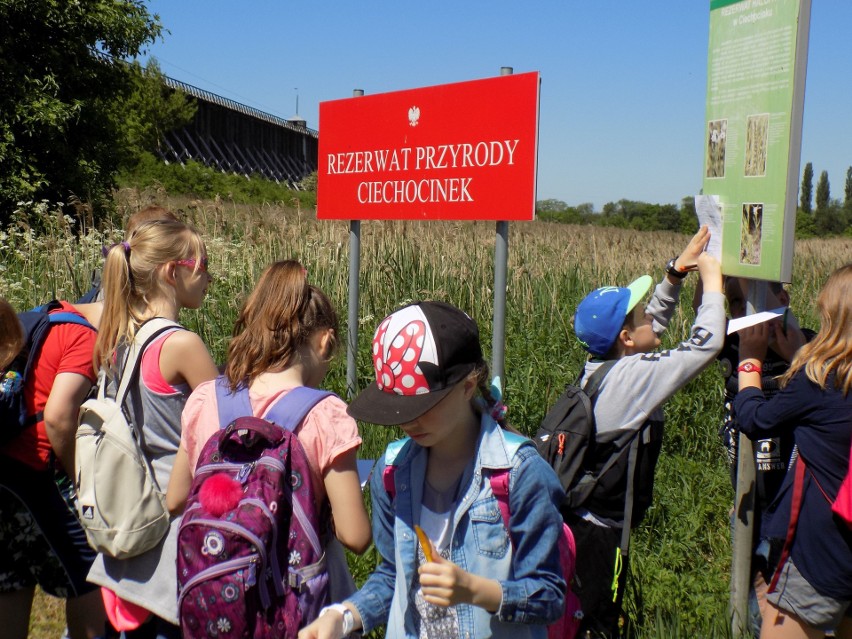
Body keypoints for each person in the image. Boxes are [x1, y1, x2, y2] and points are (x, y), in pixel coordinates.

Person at [299, 300, 566, 639]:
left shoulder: (520, 475)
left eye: (421, 406)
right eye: (397, 407)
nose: (408, 421)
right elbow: (394, 576)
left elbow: (550, 594)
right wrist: (345, 615)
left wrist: (475, 591)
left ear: (467, 386)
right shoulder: (392, 473)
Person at [166, 259, 371, 601]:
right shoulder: (325, 414)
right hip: (298, 604)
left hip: (220, 597)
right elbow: (356, 537)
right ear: (325, 342)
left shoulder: (205, 399)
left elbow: (175, 500)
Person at [565, 226, 725, 638]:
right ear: (625, 337)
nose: (649, 317)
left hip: (584, 520)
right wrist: (712, 283)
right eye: (638, 316)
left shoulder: (605, 365)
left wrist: (675, 274)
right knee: (598, 625)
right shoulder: (631, 379)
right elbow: (704, 346)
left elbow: (648, 331)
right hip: (600, 533)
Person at [87, 218, 219, 639]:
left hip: (127, 520)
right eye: (201, 266)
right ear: (171, 271)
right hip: (171, 529)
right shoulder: (182, 345)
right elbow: (226, 431)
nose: (208, 278)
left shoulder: (117, 336)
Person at [734, 263, 852, 638]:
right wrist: (800, 352)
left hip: (820, 553)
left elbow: (754, 418)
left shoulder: (819, 381)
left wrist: (749, 358)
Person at [0, 296, 106, 639]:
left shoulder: (45, 318)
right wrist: (82, 479)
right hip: (34, 477)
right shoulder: (83, 336)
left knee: (12, 581)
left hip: (4, 468)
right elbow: (58, 420)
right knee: (90, 577)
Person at [711, 278, 812, 637]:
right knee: (753, 604)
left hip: (792, 517)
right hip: (751, 504)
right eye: (738, 303)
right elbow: (703, 311)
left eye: (756, 298)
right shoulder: (733, 345)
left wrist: (796, 358)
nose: (746, 311)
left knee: (773, 612)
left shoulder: (809, 349)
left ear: (783, 298)